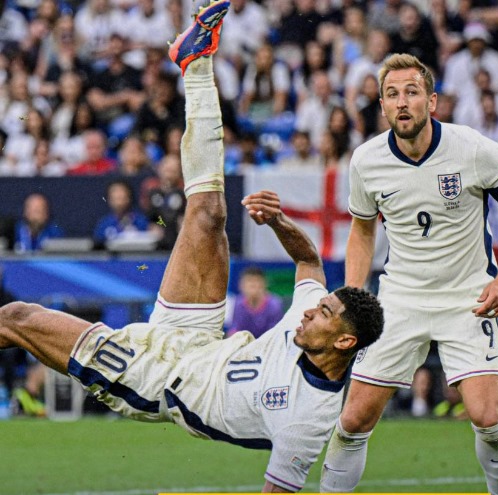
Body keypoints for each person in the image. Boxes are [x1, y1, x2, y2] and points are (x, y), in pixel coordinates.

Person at [0, 3, 384, 492]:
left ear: (345, 343)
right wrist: (280, 222)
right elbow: (309, 261)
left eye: (324, 313)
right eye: (321, 305)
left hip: (155, 379)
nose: (310, 311)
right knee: (209, 214)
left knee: (17, 317)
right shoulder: (311, 322)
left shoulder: (308, 420)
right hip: (199, 337)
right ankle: (195, 63)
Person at [320, 53, 498, 495]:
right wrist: (353, 297)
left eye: (412, 92)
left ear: (432, 101)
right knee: (352, 420)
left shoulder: (475, 150)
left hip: (468, 297)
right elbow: (362, 231)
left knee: (488, 417)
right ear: (382, 106)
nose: (402, 102)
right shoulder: (366, 161)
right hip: (400, 299)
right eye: (392, 94)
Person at [226, 266, 284, 339]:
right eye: (249, 281)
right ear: (241, 285)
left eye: (257, 281)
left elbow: (275, 335)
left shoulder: (275, 305)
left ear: (265, 284)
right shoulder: (236, 304)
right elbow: (233, 331)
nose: (253, 285)